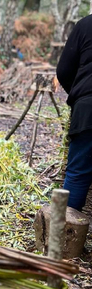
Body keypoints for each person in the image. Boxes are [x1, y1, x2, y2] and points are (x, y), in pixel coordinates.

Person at [57, 14, 92, 212]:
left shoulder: (86, 25)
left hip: (88, 110)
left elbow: (63, 71)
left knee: (78, 173)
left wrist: (80, 96)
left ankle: (66, 239)